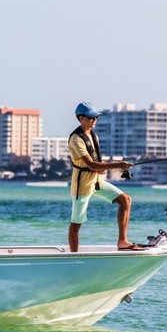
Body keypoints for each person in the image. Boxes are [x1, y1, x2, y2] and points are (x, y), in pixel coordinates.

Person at [68, 101, 143, 252]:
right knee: (76, 223)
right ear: (81, 118)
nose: (94, 120)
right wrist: (119, 165)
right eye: (91, 117)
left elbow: (97, 163)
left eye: (96, 117)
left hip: (97, 181)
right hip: (82, 184)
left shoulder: (94, 136)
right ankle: (73, 256)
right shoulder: (76, 139)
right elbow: (91, 165)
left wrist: (103, 169)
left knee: (125, 200)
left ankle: (122, 241)